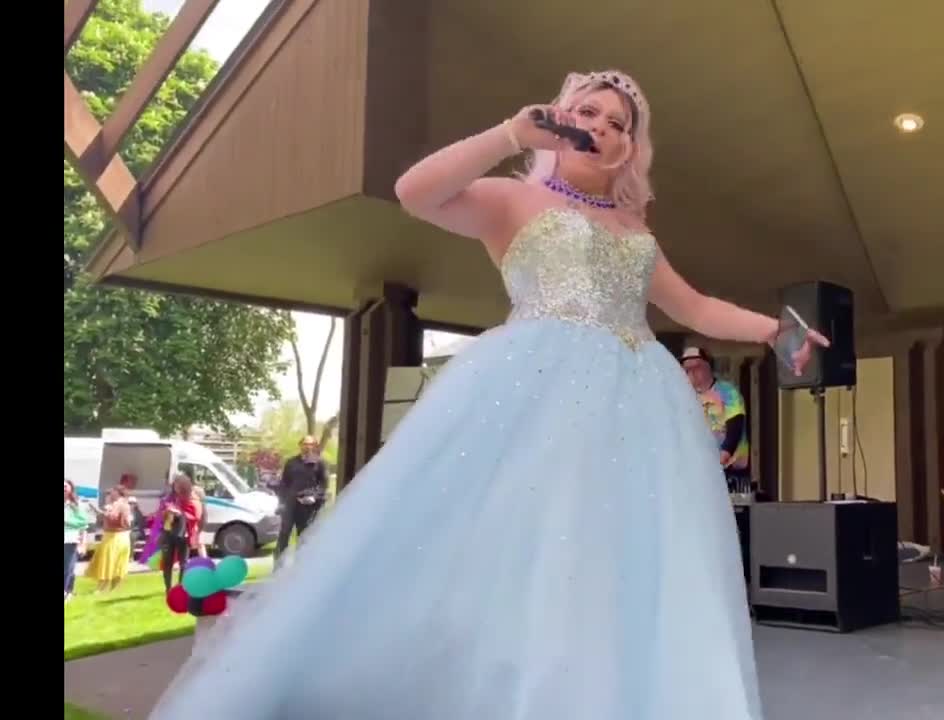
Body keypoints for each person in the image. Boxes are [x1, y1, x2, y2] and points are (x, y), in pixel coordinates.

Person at [148, 69, 827, 720]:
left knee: (616, 568)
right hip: (539, 392)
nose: (601, 127)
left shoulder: (636, 232)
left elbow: (699, 308)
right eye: (587, 111)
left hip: (640, 407)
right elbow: (416, 192)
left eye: (618, 123)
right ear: (560, 117)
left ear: (629, 148)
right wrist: (510, 134)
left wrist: (775, 331)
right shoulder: (515, 201)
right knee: (534, 560)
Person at [680, 346, 752, 495]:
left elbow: (735, 423)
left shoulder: (727, 391)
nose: (691, 373)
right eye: (687, 370)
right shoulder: (686, 398)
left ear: (708, 367)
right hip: (703, 470)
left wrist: (725, 454)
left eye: (696, 367)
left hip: (731, 469)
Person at [272, 435, 329, 569]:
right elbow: (284, 483)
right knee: (284, 533)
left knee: (304, 536)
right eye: (305, 444)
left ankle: (302, 567)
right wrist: (281, 502)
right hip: (290, 503)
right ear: (300, 445)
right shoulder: (291, 462)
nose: (307, 447)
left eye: (310, 444)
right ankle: (279, 566)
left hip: (308, 506)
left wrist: (314, 497)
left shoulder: (320, 463)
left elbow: (324, 485)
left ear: (315, 446)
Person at [157, 474, 203, 593]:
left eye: (179, 484)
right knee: (167, 562)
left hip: (185, 534)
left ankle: (181, 586)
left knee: (184, 562)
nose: (177, 487)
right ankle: (168, 588)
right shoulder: (169, 498)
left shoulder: (192, 498)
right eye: (176, 484)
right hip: (169, 533)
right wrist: (166, 511)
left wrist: (179, 513)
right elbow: (161, 513)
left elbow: (196, 516)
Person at [84, 487, 131, 594]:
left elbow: (117, 520)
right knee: (111, 562)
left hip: (116, 536)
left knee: (111, 562)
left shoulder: (121, 505)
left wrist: (101, 512)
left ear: (118, 493)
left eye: (112, 492)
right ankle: (107, 589)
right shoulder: (117, 504)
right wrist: (98, 510)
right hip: (114, 536)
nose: (110, 494)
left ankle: (105, 588)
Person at [64, 479, 90, 603]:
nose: (64, 488)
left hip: (70, 539)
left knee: (68, 568)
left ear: (70, 489)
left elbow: (83, 526)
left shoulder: (76, 505)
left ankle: (66, 591)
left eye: (65, 486)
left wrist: (83, 544)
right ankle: (68, 591)